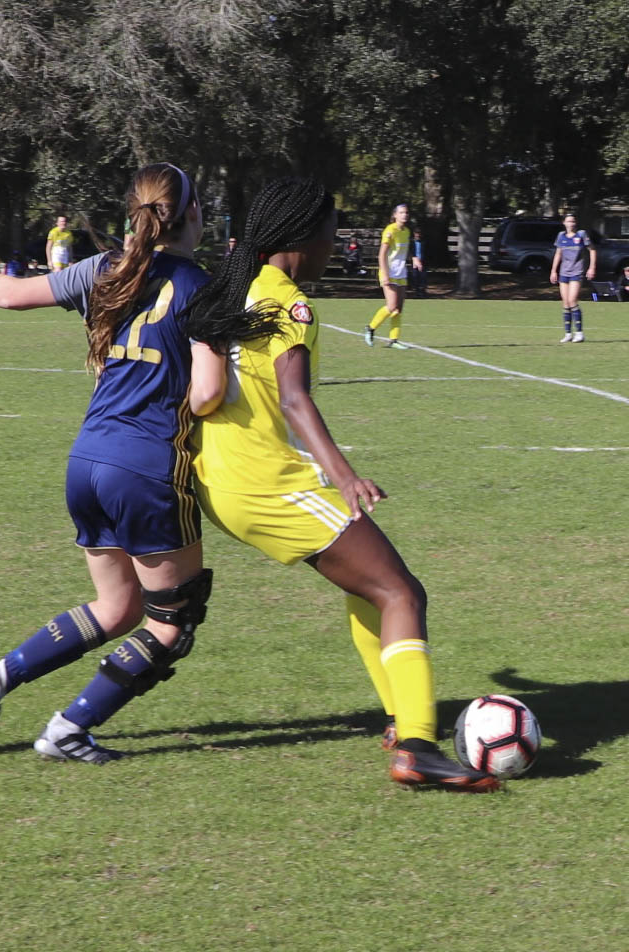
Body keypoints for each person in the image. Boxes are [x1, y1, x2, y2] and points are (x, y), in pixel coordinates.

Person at [183, 177, 499, 792]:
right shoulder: (290, 304)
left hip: (222, 477)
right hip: (268, 481)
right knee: (403, 591)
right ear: (302, 237)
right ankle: (416, 747)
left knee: (370, 589)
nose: (334, 245)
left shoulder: (239, 286)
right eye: (331, 233)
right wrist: (345, 475)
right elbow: (296, 400)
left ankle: (401, 716)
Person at [0, 162, 224, 764]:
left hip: (87, 460)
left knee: (117, 608)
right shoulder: (203, 286)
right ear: (192, 216)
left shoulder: (105, 271)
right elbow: (208, 395)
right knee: (170, 622)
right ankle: (68, 729)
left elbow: (8, 294)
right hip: (147, 468)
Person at [364, 203, 420, 350]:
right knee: (391, 306)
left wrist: (414, 258)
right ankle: (370, 328)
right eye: (401, 212)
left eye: (406, 212)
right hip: (389, 272)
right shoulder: (390, 231)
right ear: (395, 215)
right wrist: (385, 274)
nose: (405, 215)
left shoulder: (407, 231)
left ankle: (393, 339)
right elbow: (382, 254)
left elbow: (410, 247)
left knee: (399, 309)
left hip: (401, 272)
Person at [550, 212, 596, 342]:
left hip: (577, 272)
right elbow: (558, 254)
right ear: (564, 223)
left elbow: (592, 250)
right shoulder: (561, 236)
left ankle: (579, 333)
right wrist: (554, 271)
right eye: (568, 221)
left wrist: (592, 267)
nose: (571, 223)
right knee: (565, 303)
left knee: (572, 300)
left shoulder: (581, 234)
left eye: (573, 221)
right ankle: (568, 334)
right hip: (564, 273)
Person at [410, 227, 427, 297]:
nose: (418, 236)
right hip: (414, 262)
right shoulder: (412, 243)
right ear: (414, 234)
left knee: (423, 277)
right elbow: (410, 252)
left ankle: (422, 292)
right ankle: (416, 292)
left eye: (419, 234)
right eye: (416, 235)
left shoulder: (423, 242)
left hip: (422, 261)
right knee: (415, 277)